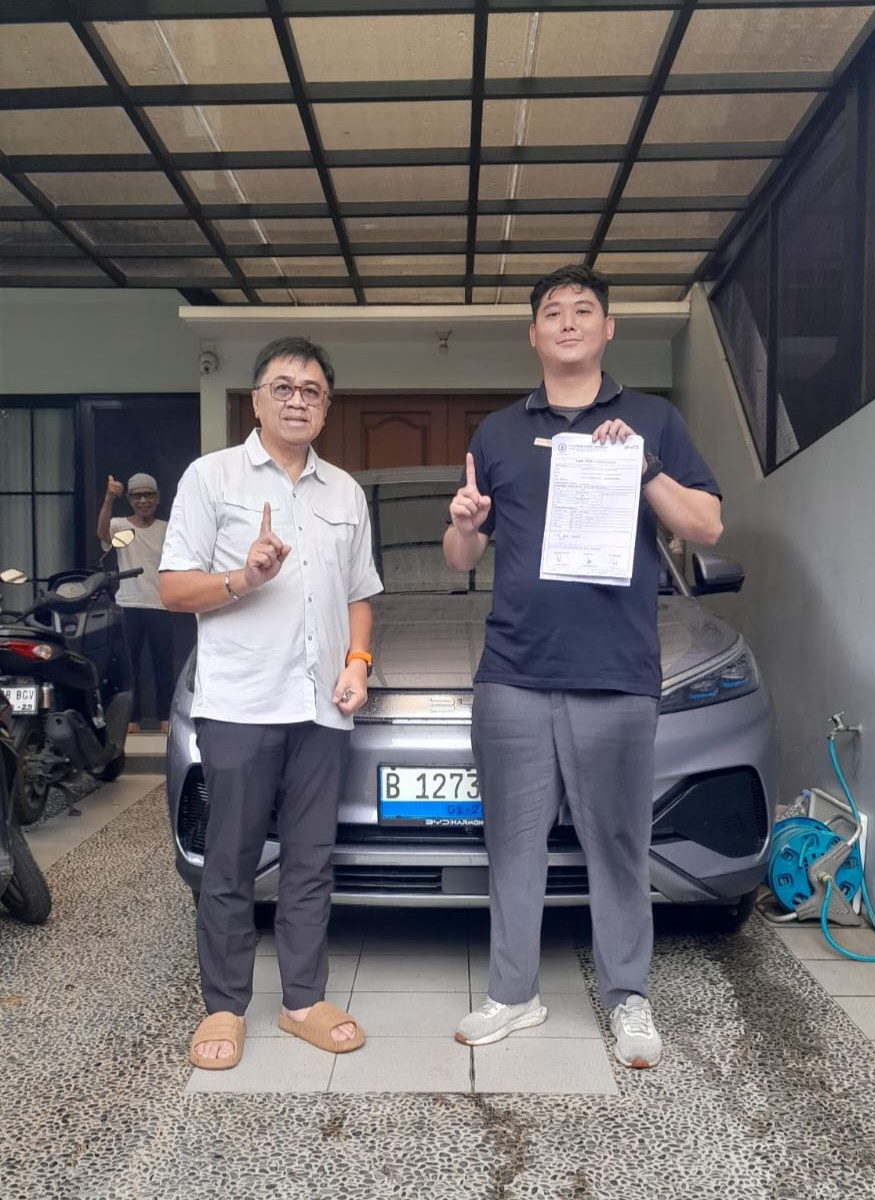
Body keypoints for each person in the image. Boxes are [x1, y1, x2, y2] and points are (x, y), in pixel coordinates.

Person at [443, 265, 723, 1069]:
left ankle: (627, 996)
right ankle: (513, 993)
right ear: (534, 334)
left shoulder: (653, 420)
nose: (568, 322)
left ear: (608, 329)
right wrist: (464, 523)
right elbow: (461, 555)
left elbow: (706, 526)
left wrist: (645, 467)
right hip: (513, 672)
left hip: (616, 672)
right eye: (553, 312)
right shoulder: (498, 433)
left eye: (584, 310)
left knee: (619, 846)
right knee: (512, 845)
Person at [158, 335, 382, 1071]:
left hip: (322, 708)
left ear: (326, 407)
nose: (297, 400)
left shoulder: (344, 492)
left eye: (312, 390)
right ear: (255, 401)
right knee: (231, 862)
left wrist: (358, 664)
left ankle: (302, 1002)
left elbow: (359, 595)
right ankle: (224, 1006)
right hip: (241, 702)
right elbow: (172, 588)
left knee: (312, 860)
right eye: (282, 387)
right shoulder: (212, 478)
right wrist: (244, 579)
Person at [97, 472, 173, 735]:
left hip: (160, 604)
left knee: (164, 665)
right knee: (129, 667)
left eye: (148, 495)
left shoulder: (167, 528)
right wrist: (109, 499)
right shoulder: (119, 525)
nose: (143, 500)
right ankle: (132, 718)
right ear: (129, 499)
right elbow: (102, 534)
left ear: (158, 498)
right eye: (137, 495)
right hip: (128, 604)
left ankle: (166, 717)